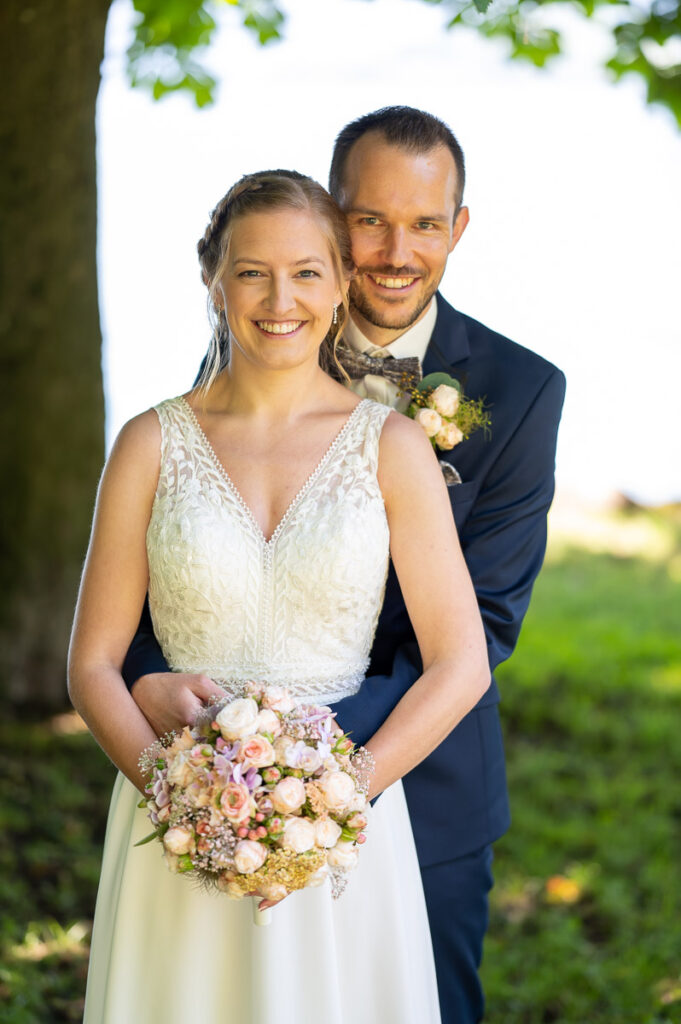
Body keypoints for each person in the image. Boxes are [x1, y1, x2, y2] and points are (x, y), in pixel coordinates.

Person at [123, 108, 566, 1024]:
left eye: (425, 224)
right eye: (368, 220)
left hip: (419, 779)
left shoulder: (521, 391)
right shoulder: (253, 341)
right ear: (329, 215)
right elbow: (181, 557)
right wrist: (159, 696)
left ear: (458, 228)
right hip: (214, 776)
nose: (396, 250)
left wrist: (295, 763)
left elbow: (478, 623)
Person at [68, 170, 490, 1023]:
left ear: (340, 283)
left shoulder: (393, 446)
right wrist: (179, 796)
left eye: (304, 271)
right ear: (214, 282)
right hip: (180, 825)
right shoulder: (149, 443)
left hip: (342, 834)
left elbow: (459, 663)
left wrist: (337, 800)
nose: (278, 297)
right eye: (251, 271)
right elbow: (91, 665)